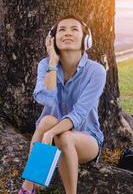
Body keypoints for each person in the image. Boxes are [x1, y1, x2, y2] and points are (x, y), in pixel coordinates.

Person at [18, 15, 106, 194]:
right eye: (62, 30)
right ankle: (29, 187)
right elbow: (46, 100)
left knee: (62, 135)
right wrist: (52, 62)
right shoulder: (45, 65)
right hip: (50, 132)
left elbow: (79, 114)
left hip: (85, 139)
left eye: (74, 29)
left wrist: (51, 133)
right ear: (53, 39)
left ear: (85, 40)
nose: (67, 33)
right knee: (47, 120)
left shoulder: (96, 71)